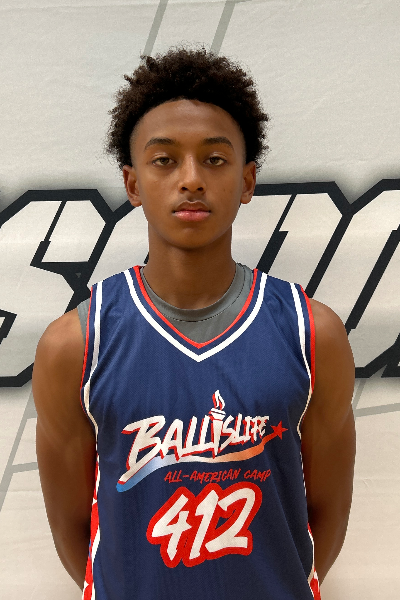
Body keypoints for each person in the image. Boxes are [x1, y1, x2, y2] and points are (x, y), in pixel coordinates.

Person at [32, 47, 356, 600]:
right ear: (133, 184)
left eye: (215, 159)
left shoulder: (313, 334)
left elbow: (324, 513)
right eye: (164, 160)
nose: (191, 179)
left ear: (247, 181)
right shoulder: (76, 344)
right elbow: (74, 532)